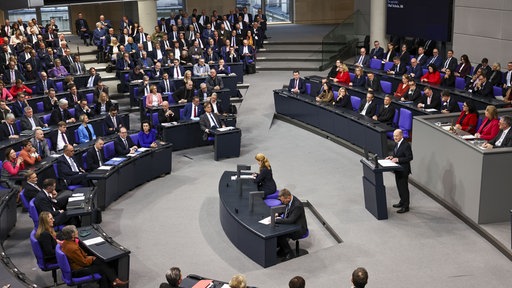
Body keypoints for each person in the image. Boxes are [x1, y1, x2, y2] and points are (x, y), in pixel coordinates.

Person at [60, 225, 128, 288]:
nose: (77, 231)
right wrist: (92, 258)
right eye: (76, 231)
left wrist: (91, 257)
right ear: (72, 234)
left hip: (76, 265)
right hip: (78, 270)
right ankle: (113, 281)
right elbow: (84, 263)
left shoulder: (66, 243)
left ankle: (114, 281)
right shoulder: (72, 248)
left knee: (101, 262)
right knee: (102, 268)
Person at [275, 188, 308, 260]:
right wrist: (278, 214)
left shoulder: (297, 206)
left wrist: (276, 220)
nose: (282, 202)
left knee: (281, 235)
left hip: (299, 228)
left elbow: (290, 220)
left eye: (283, 200)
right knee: (277, 231)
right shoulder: (289, 200)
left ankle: (289, 253)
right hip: (292, 225)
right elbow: (286, 209)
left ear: (288, 197)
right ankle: (282, 249)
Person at [386, 129, 413, 213]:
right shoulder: (397, 143)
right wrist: (392, 157)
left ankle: (406, 206)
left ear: (401, 135)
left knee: (403, 188)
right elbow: (396, 153)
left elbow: (409, 157)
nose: (395, 137)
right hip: (398, 169)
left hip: (403, 170)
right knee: (399, 187)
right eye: (394, 136)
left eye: (396, 136)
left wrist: (397, 159)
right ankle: (402, 202)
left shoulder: (406, 145)